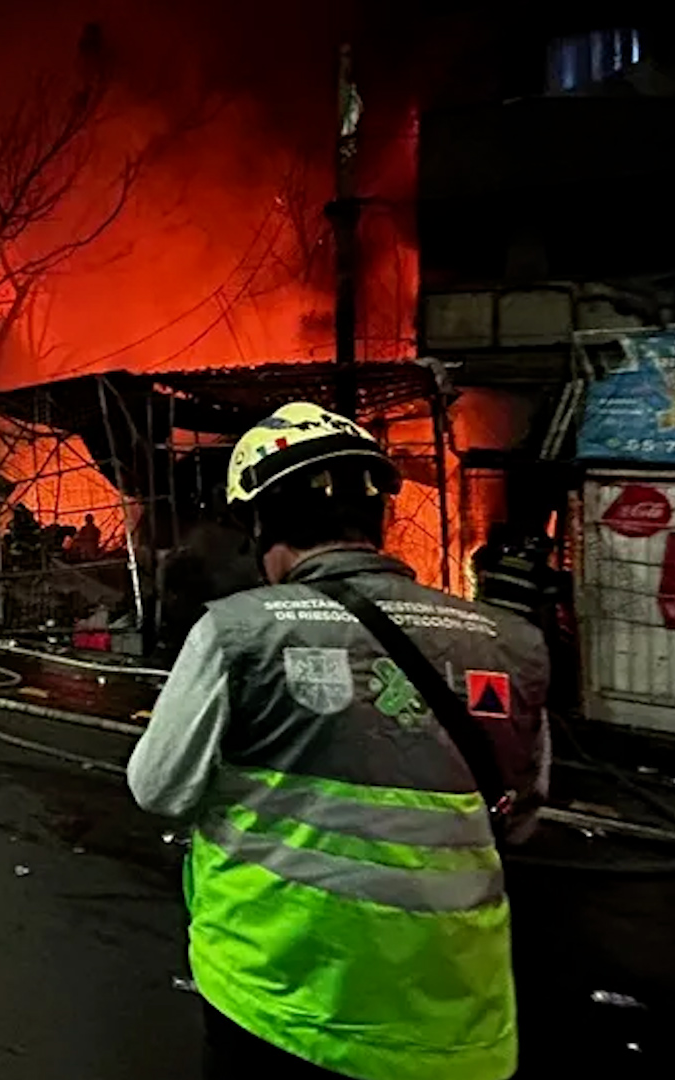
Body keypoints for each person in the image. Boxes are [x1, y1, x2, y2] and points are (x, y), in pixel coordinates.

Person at [126, 401, 549, 1080]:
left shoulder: (240, 631)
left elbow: (158, 788)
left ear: (262, 522)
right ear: (377, 520)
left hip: (276, 995)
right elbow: (520, 816)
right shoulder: (509, 643)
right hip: (456, 1020)